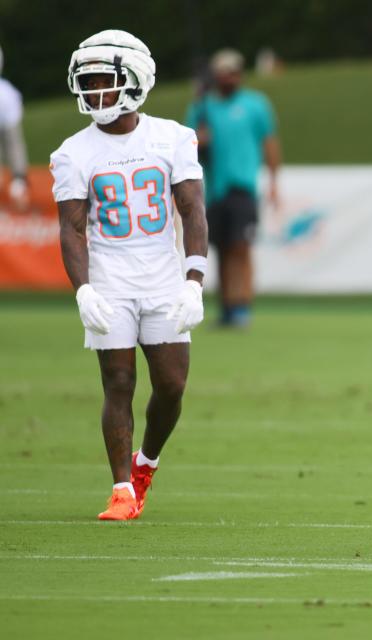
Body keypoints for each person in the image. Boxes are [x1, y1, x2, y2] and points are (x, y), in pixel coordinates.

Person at [52, 30, 208, 520]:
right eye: (88, 82)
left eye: (105, 81)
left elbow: (193, 211)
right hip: (111, 280)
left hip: (163, 278)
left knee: (172, 387)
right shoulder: (72, 153)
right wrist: (83, 291)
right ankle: (122, 489)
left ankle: (147, 462)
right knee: (118, 382)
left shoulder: (172, 137)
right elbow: (72, 230)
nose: (95, 92)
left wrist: (194, 280)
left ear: (137, 81)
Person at [186, 48, 280, 328]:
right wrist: (199, 140)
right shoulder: (202, 108)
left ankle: (242, 305)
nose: (231, 77)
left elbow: (270, 143)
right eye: (225, 72)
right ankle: (227, 307)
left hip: (243, 187)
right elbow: (187, 146)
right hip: (214, 189)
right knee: (221, 249)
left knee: (241, 247)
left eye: (235, 72)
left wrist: (275, 182)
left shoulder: (255, 105)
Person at [0, 44, 29, 208]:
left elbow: (13, 140)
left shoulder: (6, 94)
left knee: (12, 143)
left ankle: (19, 181)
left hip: (7, 116)